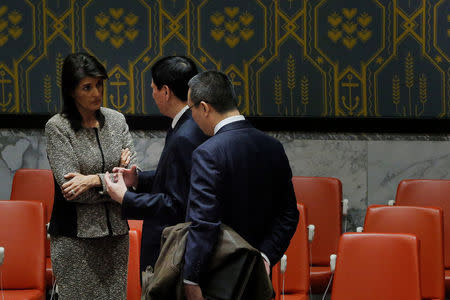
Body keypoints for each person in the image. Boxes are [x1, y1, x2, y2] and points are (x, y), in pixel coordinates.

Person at [182, 71, 300, 299]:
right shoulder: (273, 146)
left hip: (218, 279)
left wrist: (191, 278)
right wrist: (265, 257)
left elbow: (204, 223)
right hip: (259, 279)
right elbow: (288, 214)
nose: (192, 116)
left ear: (204, 108)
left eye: (191, 109)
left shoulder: (207, 153)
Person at [45, 52, 137, 299]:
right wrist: (113, 183)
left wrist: (92, 180)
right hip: (75, 239)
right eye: (87, 87)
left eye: (99, 85)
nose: (97, 92)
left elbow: (132, 181)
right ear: (72, 91)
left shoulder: (117, 121)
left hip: (116, 236)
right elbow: (72, 192)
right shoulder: (57, 127)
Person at [105, 56, 208, 273]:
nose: (152, 94)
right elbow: (176, 177)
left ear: (166, 91)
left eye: (153, 88)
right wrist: (138, 179)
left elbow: (175, 203)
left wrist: (126, 198)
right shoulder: (187, 124)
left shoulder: (185, 135)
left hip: (174, 245)